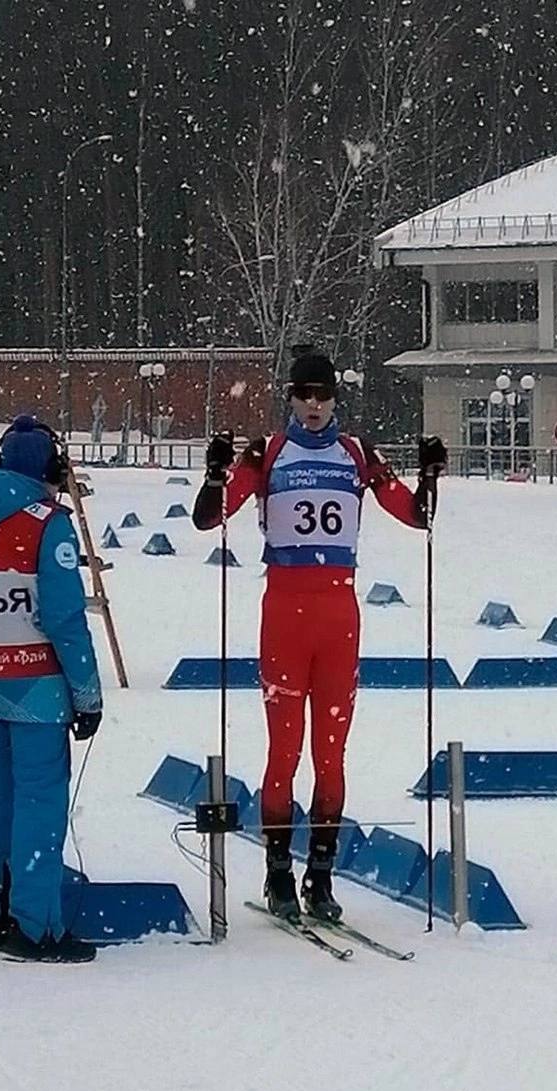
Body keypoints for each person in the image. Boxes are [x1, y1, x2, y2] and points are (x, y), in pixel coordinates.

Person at [192, 351, 446, 922]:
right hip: (284, 612)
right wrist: (216, 475)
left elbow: (416, 514)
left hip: (339, 616)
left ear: (335, 398)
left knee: (330, 757)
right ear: (290, 397)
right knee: (284, 753)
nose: (313, 405)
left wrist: (430, 476)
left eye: (322, 395)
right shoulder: (269, 452)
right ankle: (279, 872)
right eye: (303, 395)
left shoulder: (355, 453)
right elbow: (208, 518)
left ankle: (321, 877)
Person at [0, 414, 102, 962]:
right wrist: (88, 695)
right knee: (39, 801)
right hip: (36, 685)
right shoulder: (45, 522)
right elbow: (64, 618)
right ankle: (35, 927)